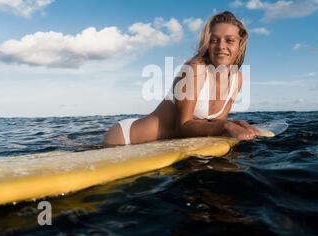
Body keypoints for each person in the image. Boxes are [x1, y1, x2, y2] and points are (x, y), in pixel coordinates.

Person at [102, 11, 261, 146]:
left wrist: (238, 124)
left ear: (240, 44)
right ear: (207, 44)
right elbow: (183, 127)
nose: (221, 46)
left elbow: (214, 125)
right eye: (214, 40)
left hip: (155, 145)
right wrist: (227, 126)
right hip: (125, 139)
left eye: (229, 40)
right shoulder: (195, 69)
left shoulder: (237, 79)